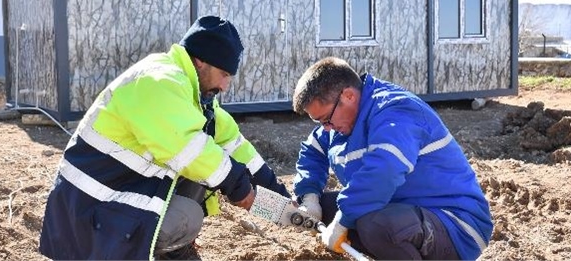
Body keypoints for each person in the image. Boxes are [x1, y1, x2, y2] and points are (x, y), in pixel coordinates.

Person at [39, 15, 290, 260]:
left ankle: (171, 250)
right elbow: (194, 154)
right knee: (188, 212)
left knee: (207, 169)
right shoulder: (158, 81)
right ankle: (162, 253)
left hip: (115, 197)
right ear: (200, 61)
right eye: (224, 74)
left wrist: (284, 205)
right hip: (87, 213)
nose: (225, 86)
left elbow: (238, 150)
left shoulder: (197, 98)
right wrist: (242, 191)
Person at [293, 57, 492, 260]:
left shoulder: (396, 111)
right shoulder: (340, 121)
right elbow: (313, 150)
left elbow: (383, 171)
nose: (326, 127)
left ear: (349, 96)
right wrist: (309, 197)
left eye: (326, 119)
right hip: (405, 214)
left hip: (455, 225)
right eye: (320, 122)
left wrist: (342, 221)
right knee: (327, 207)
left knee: (374, 224)